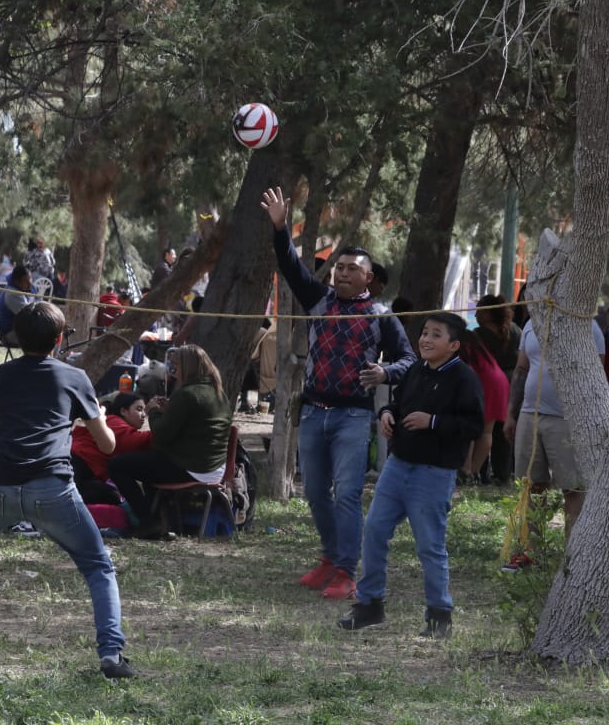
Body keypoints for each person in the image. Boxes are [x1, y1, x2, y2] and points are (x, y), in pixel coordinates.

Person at [0, 301, 136, 679]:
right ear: (58, 340)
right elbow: (108, 446)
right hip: (52, 487)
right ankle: (112, 656)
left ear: (16, 339)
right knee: (98, 566)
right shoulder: (75, 378)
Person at [262, 187, 416, 600]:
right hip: (313, 413)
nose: (343, 273)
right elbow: (290, 266)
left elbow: (409, 361)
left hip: (351, 417)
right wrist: (280, 228)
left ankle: (348, 570)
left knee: (346, 492)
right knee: (312, 491)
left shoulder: (382, 317)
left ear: (370, 277)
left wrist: (384, 371)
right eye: (340, 268)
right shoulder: (319, 301)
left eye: (353, 269)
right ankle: (330, 558)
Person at [338, 312, 484, 638]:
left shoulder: (464, 378)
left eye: (436, 335)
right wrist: (387, 414)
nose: (426, 340)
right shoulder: (416, 369)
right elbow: (397, 403)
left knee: (429, 546)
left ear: (454, 345)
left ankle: (439, 615)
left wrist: (432, 422)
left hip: (433, 474)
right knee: (374, 531)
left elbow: (474, 425)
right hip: (397, 467)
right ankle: (369, 605)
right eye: (425, 333)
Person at [501, 315, 606, 571]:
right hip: (529, 414)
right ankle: (529, 554)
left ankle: (574, 558)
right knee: (531, 486)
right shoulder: (530, 323)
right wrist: (511, 414)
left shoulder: (585, 324)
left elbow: (596, 372)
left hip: (568, 419)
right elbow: (522, 369)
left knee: (573, 489)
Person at [108, 344, 233, 539]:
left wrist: (153, 412)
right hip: (214, 467)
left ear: (188, 367)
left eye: (178, 367)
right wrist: (171, 411)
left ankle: (148, 523)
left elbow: (162, 435)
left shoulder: (188, 394)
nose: (175, 371)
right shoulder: (219, 394)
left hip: (193, 467)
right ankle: (157, 519)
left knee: (117, 465)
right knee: (149, 464)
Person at [71, 393, 153, 505]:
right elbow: (141, 441)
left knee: (111, 495)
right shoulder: (115, 422)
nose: (143, 415)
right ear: (123, 411)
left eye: (144, 410)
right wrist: (158, 416)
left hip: (85, 472)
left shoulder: (114, 422)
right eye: (139, 409)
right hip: (78, 465)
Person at [474, 295, 521, 484]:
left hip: (488, 383)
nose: (476, 315)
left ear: (487, 312)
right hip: (511, 383)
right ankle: (503, 473)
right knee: (505, 430)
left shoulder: (478, 334)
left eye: (479, 311)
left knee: (484, 429)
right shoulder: (517, 330)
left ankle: (481, 471)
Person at [456, 329, 509, 483]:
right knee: (486, 432)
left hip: (484, 382)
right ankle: (474, 473)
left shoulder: (458, 343)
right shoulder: (475, 342)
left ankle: (465, 471)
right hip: (497, 381)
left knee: (471, 428)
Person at [0, 265, 35, 346]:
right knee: (45, 336)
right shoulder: (12, 293)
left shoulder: (23, 288)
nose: (30, 283)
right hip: (9, 334)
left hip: (19, 330)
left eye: (30, 279)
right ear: (17, 281)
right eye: (26, 281)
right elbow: (30, 315)